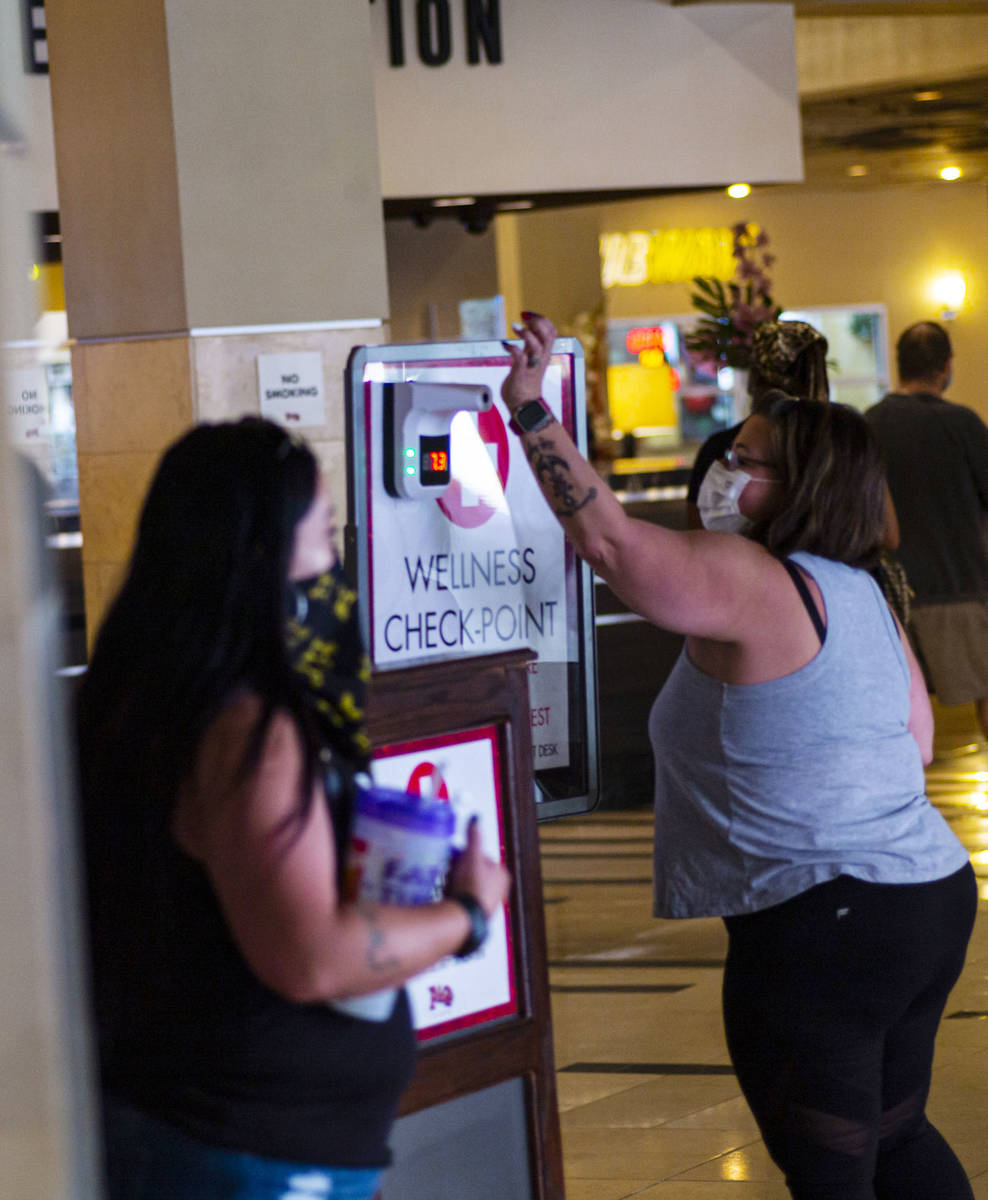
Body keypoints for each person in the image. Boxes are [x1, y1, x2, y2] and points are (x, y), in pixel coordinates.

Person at [501, 313, 975, 1200]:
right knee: (899, 1138)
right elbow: (913, 746)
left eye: (748, 461)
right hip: (924, 898)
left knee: (833, 1175)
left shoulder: (753, 580)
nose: (725, 469)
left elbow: (609, 542)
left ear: (797, 486)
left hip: (823, 921)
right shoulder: (857, 588)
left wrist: (532, 412)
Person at [75, 417, 510, 1200]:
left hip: (211, 1138)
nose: (336, 564)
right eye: (320, 536)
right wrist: (469, 914)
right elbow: (309, 957)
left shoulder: (149, 695)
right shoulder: (248, 729)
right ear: (261, 557)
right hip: (249, 1159)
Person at [866, 321, 988, 741]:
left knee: (898, 716)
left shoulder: (870, 424)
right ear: (946, 366)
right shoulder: (964, 424)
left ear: (899, 365)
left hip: (890, 599)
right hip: (962, 588)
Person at [686, 319, 830, 530]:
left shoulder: (839, 445)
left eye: (742, 461)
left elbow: (696, 536)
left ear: (756, 379)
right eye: (740, 461)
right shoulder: (841, 445)